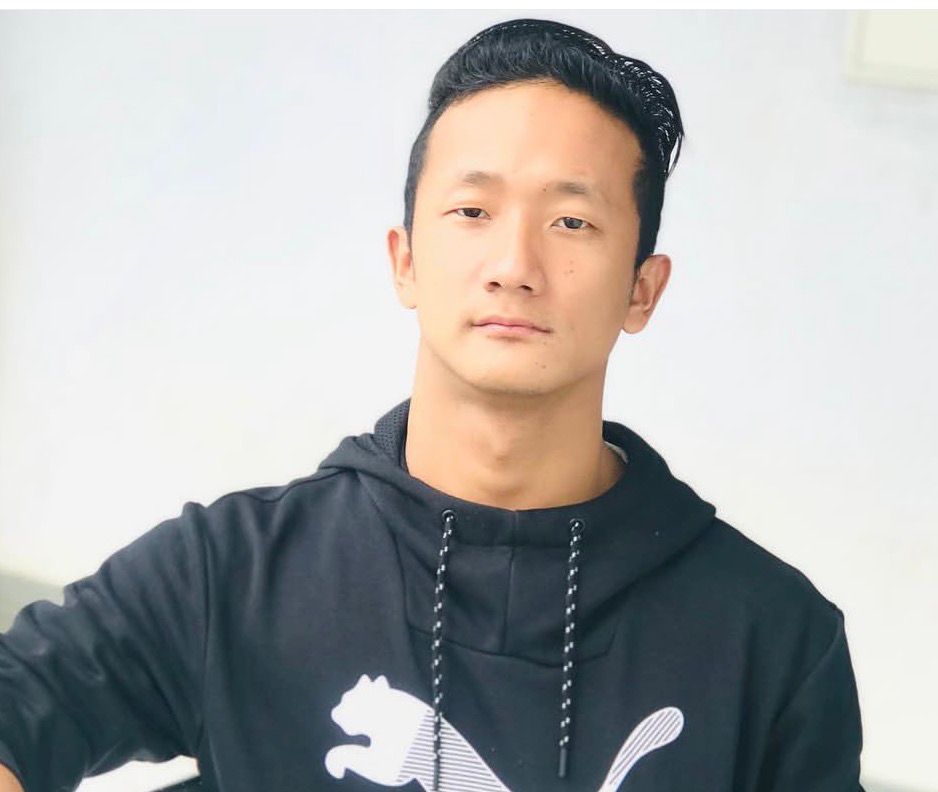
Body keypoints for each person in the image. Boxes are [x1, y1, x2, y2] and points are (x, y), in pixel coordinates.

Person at [0, 16, 864, 792]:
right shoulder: (231, 575)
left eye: (571, 221)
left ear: (643, 288)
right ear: (405, 260)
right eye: (472, 210)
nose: (514, 265)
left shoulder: (771, 638)